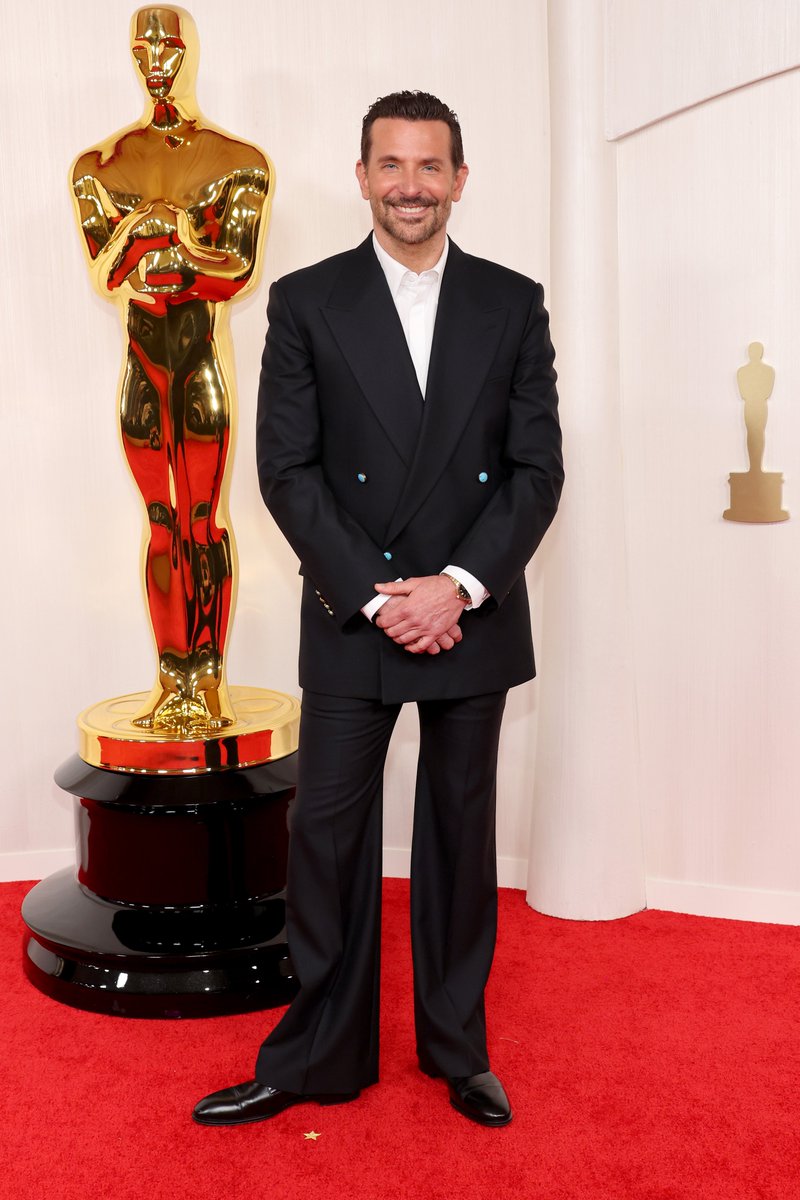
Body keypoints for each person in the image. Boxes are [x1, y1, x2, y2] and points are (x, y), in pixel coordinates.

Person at [193, 90, 563, 1129]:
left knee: (457, 836)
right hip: (354, 612)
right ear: (362, 177)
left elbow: (535, 471)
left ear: (457, 177)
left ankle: (457, 1049)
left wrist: (458, 587)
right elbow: (287, 470)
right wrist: (376, 594)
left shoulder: (512, 301)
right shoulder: (306, 302)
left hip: (469, 614)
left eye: (429, 165)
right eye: (390, 165)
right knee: (329, 837)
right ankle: (315, 1055)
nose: (410, 184)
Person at [71, 6, 272, 735]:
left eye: (169, 42)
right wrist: (149, 231)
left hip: (198, 364)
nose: (155, 55)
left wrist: (173, 235)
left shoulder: (235, 160)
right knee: (161, 523)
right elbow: (106, 272)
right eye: (142, 44)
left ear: (191, 51)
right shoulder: (99, 166)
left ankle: (208, 680)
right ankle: (171, 679)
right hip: (143, 367)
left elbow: (235, 272)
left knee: (201, 520)